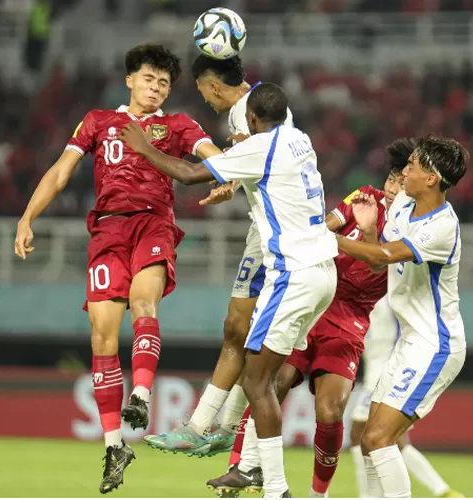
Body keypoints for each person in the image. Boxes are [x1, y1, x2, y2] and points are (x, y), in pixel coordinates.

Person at [13, 44, 223, 494]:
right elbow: (60, 172)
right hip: (107, 231)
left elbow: (215, 157)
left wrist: (224, 180)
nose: (156, 87)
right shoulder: (97, 122)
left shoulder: (177, 125)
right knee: (102, 335)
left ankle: (141, 396)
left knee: (144, 303)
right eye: (149, 79)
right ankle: (114, 447)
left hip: (154, 222)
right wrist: (28, 217)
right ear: (130, 80)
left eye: (164, 83)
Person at [120, 82, 338, 498]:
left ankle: (273, 486)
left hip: (293, 273)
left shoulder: (260, 147)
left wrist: (144, 147)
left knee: (257, 382)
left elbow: (188, 174)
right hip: (324, 273)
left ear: (253, 119)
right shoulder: (299, 139)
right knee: (267, 379)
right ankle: (248, 462)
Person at [205, 139, 411, 498]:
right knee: (270, 379)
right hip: (315, 303)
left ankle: (318, 494)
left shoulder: (412, 227)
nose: (393, 189)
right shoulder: (364, 196)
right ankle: (243, 466)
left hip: (350, 321)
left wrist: (366, 231)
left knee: (330, 411)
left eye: (401, 184)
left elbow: (378, 262)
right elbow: (322, 226)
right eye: (392, 180)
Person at [144, 55, 294, 458]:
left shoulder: (250, 113)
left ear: (211, 86)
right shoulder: (261, 107)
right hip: (265, 230)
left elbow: (197, 172)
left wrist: (142, 147)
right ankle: (218, 429)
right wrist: (231, 181)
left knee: (246, 339)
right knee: (240, 332)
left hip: (276, 239)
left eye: (201, 90)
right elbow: (249, 167)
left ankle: (219, 433)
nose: (205, 100)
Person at [336, 134, 468, 498]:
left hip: (435, 346)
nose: (403, 171)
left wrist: (322, 236)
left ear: (431, 179)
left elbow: (381, 257)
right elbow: (380, 261)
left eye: (412, 165)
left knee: (378, 437)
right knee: (369, 439)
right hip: (410, 341)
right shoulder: (403, 207)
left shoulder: (441, 227)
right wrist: (365, 231)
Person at [350, 297, 463, 499]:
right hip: (376, 368)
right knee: (387, 439)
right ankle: (442, 490)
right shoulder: (366, 292)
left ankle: (369, 495)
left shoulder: (391, 294)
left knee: (367, 434)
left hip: (387, 367)